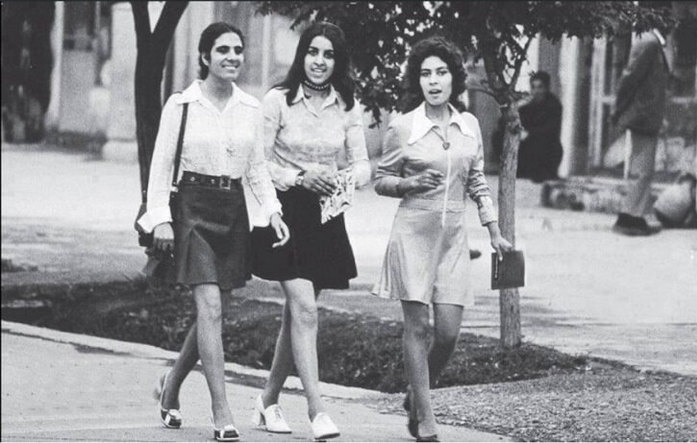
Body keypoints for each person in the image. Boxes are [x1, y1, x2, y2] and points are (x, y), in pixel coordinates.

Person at [137, 22, 290, 442]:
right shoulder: (181, 105)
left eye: (238, 50)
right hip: (192, 210)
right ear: (205, 57)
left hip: (232, 211)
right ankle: (222, 413)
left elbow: (256, 167)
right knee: (210, 308)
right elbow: (161, 166)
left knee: (213, 311)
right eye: (222, 50)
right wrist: (160, 217)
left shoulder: (250, 107)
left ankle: (170, 385)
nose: (232, 57)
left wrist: (273, 211)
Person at [373, 36, 512, 442]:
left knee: (448, 333)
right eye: (425, 74)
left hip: (453, 237)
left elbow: (477, 180)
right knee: (417, 327)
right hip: (413, 232)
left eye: (441, 72)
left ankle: (415, 395)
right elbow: (382, 179)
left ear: (454, 78)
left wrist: (494, 229)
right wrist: (409, 183)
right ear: (417, 80)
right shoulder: (403, 126)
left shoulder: (469, 125)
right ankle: (426, 419)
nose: (433, 81)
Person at [248, 22, 370, 440]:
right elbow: (257, 163)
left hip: (325, 215)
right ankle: (318, 411)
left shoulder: (348, 105)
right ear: (302, 55)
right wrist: (300, 177)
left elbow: (363, 164)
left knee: (297, 314)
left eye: (328, 54)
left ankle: (267, 401)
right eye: (313, 52)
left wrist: (342, 179)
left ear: (338, 61)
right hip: (283, 213)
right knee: (305, 310)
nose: (319, 61)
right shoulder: (277, 101)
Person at [611, 27, 669, 236]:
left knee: (643, 169)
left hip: (647, 115)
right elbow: (630, 78)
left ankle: (635, 215)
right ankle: (630, 217)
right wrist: (618, 110)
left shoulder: (652, 43)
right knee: (641, 170)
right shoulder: (648, 43)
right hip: (643, 115)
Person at [517, 71, 563, 182]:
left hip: (547, 148)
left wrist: (529, 133)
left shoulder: (553, 105)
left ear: (546, 88)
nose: (536, 91)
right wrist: (517, 107)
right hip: (528, 145)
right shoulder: (529, 105)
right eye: (533, 87)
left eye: (540, 87)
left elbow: (549, 129)